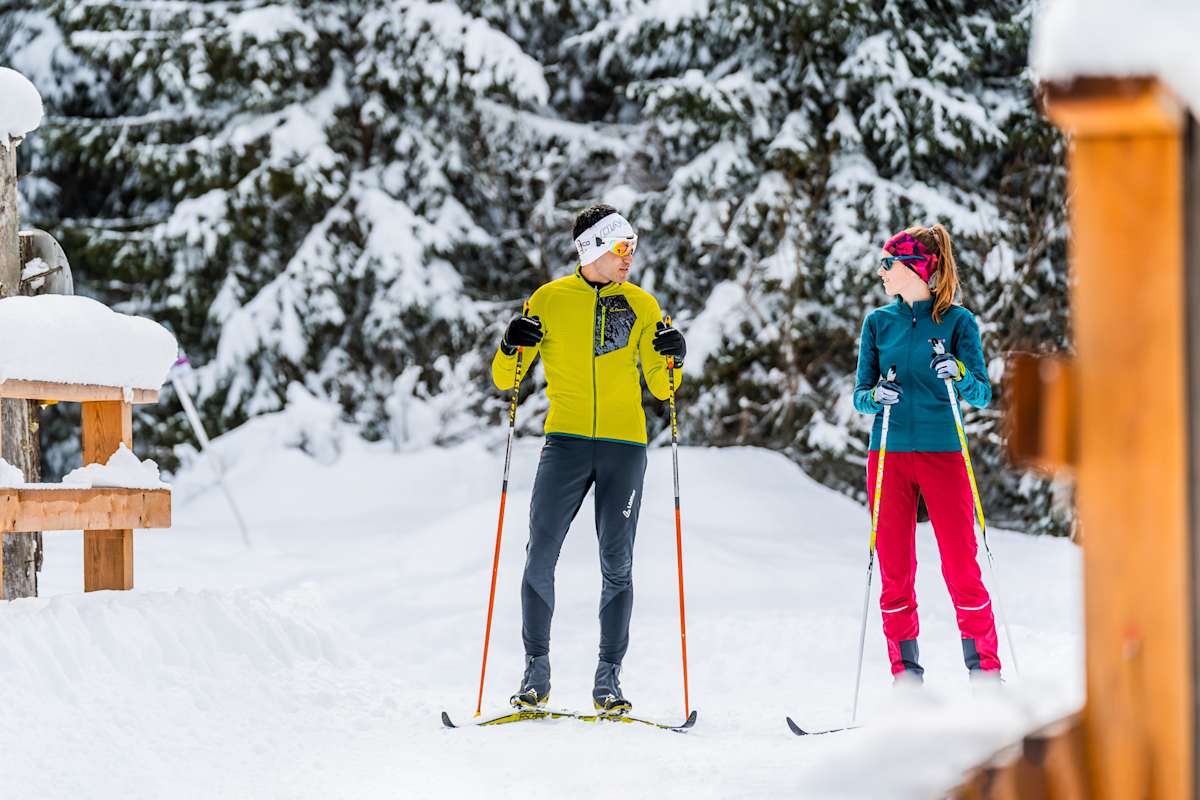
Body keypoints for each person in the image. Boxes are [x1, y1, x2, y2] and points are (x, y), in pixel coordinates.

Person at [491, 204, 686, 713]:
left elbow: (664, 388)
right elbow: (505, 379)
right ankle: (536, 671)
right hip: (566, 444)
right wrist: (510, 344)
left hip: (624, 447)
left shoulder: (643, 305)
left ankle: (609, 679)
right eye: (622, 248)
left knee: (616, 562)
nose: (630, 259)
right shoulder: (549, 300)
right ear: (593, 249)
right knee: (540, 554)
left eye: (633, 249)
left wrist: (674, 355)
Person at [852, 223, 1001, 684]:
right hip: (889, 456)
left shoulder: (959, 322)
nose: (881, 272)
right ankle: (906, 680)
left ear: (916, 268)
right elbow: (859, 395)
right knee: (896, 574)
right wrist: (877, 396)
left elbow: (981, 393)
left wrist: (956, 370)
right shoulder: (878, 323)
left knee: (961, 567)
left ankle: (985, 676)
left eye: (888, 263)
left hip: (942, 454)